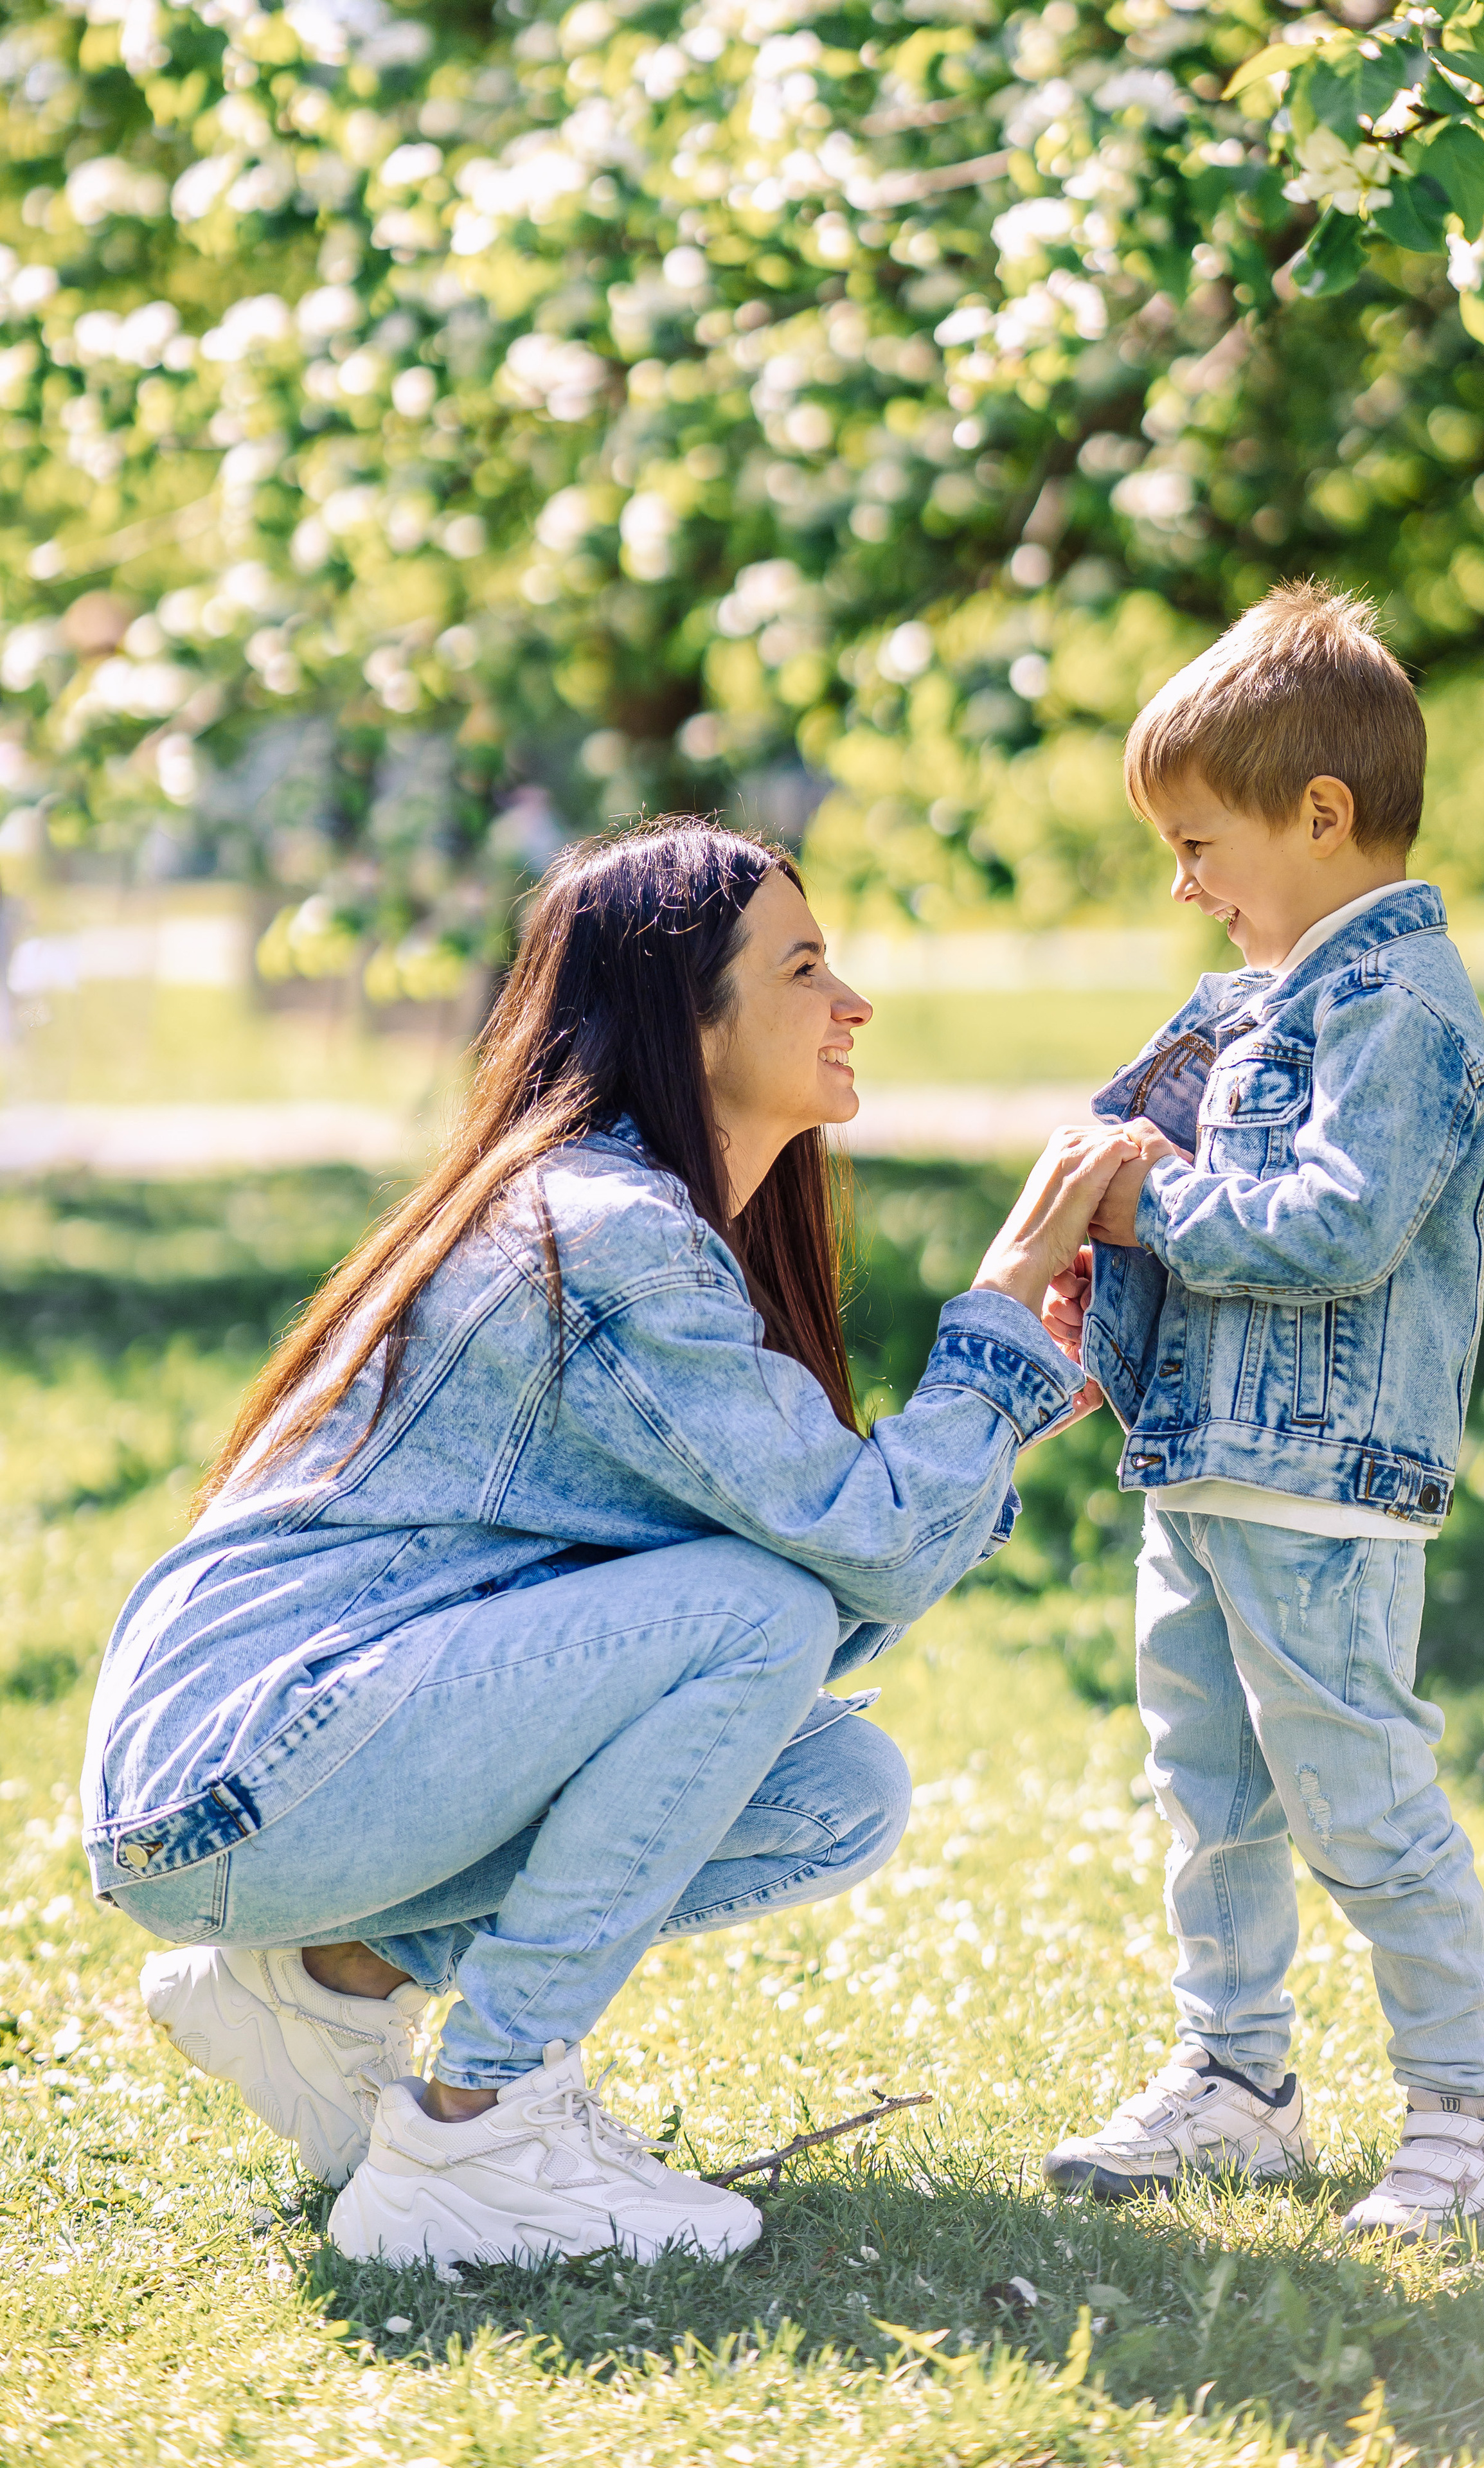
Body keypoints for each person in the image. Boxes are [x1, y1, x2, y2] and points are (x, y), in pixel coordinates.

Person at [80, 821, 1157, 2272]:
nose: (853, 1003)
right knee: (752, 1616)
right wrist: (1004, 1291)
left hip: (266, 1772)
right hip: (231, 1774)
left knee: (829, 1785)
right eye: (801, 965)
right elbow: (840, 1565)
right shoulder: (607, 1235)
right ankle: (484, 2131)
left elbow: (847, 1569)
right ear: (681, 1014)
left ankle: (325, 1983)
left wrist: (1012, 1393)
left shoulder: (630, 1220)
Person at [1038, 583, 1484, 2244]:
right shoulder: (1262, 1004)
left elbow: (1334, 1228)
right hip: (1208, 1469)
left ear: (1321, 816)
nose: (1182, 883)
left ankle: (1480, 2111)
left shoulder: (1399, 1014)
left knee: (1357, 1795)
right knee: (1212, 1791)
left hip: (1322, 1485)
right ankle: (1236, 2081)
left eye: (1199, 845)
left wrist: (1150, 1212)